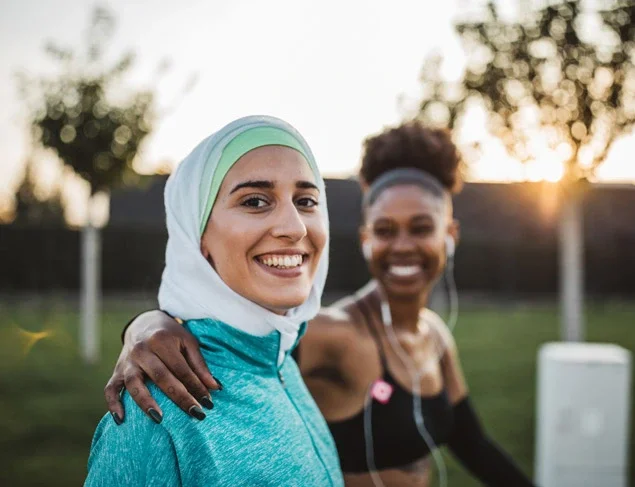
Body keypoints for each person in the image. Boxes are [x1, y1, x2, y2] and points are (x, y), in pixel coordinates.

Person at [105, 121, 537, 486]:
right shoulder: (333, 333)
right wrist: (146, 325)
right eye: (385, 230)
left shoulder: (435, 338)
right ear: (366, 239)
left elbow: (474, 444)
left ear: (450, 236)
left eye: (421, 228)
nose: (403, 246)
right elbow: (237, 346)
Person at [85, 115, 344, 486]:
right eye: (255, 201)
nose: (295, 227)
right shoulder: (154, 415)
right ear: (197, 235)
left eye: (306, 201)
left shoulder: (280, 364)